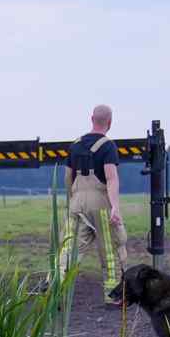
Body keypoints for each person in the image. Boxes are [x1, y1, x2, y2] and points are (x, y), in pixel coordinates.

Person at [56, 104, 129, 307]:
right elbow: (111, 178)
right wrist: (114, 206)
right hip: (100, 203)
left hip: (76, 202)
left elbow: (67, 177)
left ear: (91, 119)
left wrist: (73, 199)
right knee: (111, 249)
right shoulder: (107, 146)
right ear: (110, 122)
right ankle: (112, 296)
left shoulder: (76, 145)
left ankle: (56, 292)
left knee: (69, 248)